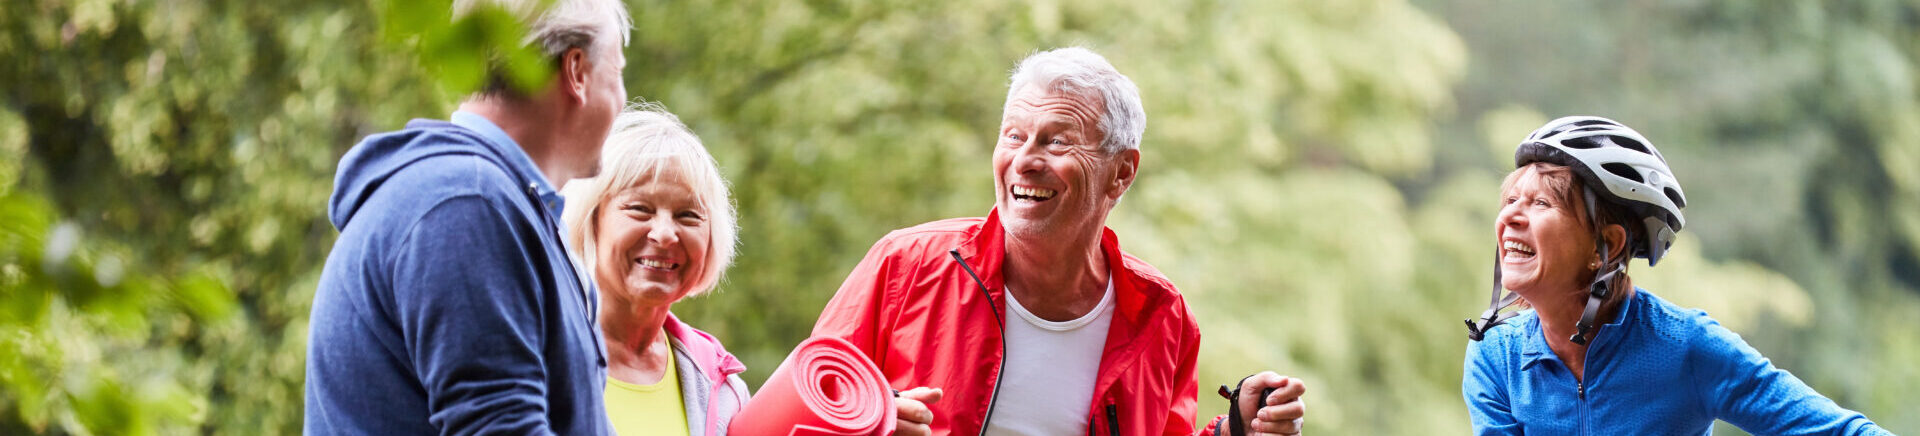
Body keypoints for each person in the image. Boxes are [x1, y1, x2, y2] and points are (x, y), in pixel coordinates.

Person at [811, 47, 1309, 436]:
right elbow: (793, 412)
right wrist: (864, 424)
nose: (1024, 159)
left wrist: (1239, 429)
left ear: (1121, 173)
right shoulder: (905, 266)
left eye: (1055, 141)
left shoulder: (1162, 316)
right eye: (1013, 136)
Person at [304, 0, 630, 433]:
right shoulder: (466, 204)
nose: (623, 100)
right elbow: (499, 426)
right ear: (577, 72)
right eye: (619, 72)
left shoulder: (485, 200)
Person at [1459, 116, 1891, 435]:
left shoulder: (1684, 345)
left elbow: (1840, 431)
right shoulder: (1496, 356)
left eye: (1540, 204)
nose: (1510, 215)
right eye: (1511, 199)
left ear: (1604, 246)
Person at [560, 105, 749, 436]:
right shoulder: (535, 355)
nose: (664, 233)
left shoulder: (724, 390)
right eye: (639, 209)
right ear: (592, 221)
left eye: (688, 215)